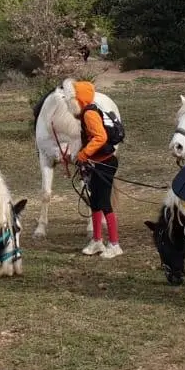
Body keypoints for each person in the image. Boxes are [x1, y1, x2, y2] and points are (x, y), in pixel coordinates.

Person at [71, 80, 122, 259]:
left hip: (105, 164)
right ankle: (97, 241)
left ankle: (115, 244)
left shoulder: (89, 114)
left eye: (72, 99)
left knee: (104, 203)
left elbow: (100, 137)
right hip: (97, 163)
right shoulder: (88, 111)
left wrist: (83, 155)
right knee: (95, 203)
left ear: (79, 100)